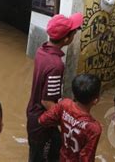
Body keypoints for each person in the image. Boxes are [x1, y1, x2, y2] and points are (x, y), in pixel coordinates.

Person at [26, 13, 84, 162]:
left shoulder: (42, 50)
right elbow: (47, 101)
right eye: (73, 32)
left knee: (55, 148)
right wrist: (66, 121)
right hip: (41, 122)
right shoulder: (56, 65)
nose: (75, 34)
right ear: (66, 39)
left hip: (35, 114)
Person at [38, 74, 102, 162]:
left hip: (63, 157)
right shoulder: (94, 128)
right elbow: (86, 158)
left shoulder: (65, 104)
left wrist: (64, 120)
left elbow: (42, 120)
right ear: (96, 100)